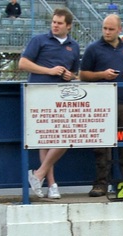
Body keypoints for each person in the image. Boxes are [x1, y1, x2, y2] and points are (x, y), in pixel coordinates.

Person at [19, 8, 80, 199]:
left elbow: (75, 73)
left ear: (68, 26)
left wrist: (70, 76)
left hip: (62, 97)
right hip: (39, 94)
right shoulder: (39, 40)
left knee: (65, 137)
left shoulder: (74, 46)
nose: (55, 25)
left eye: (59, 23)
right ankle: (51, 184)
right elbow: (23, 63)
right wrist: (49, 71)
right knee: (45, 139)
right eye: (54, 22)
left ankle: (39, 174)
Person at [80, 14, 123, 198]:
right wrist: (102, 75)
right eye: (105, 28)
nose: (107, 32)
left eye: (111, 29)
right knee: (101, 146)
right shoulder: (93, 49)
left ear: (119, 30)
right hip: (101, 103)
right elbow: (83, 75)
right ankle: (101, 184)